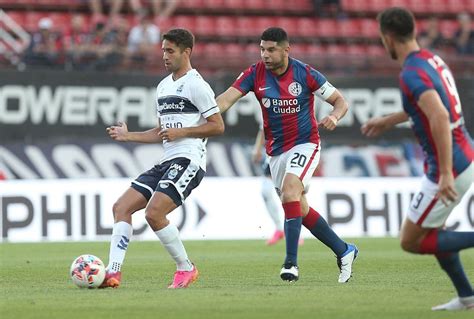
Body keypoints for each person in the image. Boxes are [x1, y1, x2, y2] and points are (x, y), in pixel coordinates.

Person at [216, 27, 358, 283]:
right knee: (298, 207)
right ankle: (344, 250)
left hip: (305, 143)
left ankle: (291, 263)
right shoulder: (253, 73)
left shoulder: (305, 73)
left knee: (291, 191)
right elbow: (225, 101)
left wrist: (335, 117)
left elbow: (341, 101)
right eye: (262, 49)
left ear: (285, 50)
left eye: (271, 50)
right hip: (276, 152)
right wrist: (200, 114)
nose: (265, 55)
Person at [361, 7, 474, 311]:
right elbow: (426, 106)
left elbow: (438, 114)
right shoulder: (431, 59)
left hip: (449, 166)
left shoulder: (411, 72)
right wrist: (388, 120)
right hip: (465, 153)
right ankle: (467, 297)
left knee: (411, 240)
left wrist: (447, 173)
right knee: (432, 231)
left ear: (389, 36)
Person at [101, 28, 224, 289]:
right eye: (163, 51)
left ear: (186, 52)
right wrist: (128, 136)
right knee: (121, 208)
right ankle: (113, 273)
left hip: (189, 160)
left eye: (170, 51)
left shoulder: (196, 84)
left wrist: (184, 131)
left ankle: (186, 268)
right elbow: (161, 132)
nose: (165, 56)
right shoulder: (163, 86)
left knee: (154, 213)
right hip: (168, 160)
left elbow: (217, 126)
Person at [252, 128, 303, 246]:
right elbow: (262, 128)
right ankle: (279, 229)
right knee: (266, 191)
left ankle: (295, 232)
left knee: (294, 194)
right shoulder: (268, 109)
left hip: (296, 150)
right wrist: (257, 148)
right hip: (275, 151)